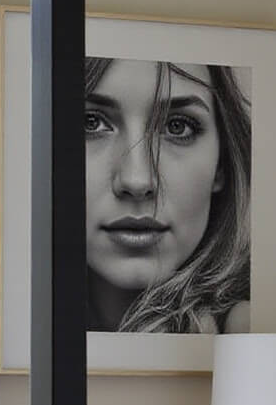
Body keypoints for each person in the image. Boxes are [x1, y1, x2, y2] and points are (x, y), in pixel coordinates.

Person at [84, 56, 251, 333]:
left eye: (177, 126)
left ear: (221, 164)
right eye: (90, 122)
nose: (137, 181)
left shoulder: (251, 334)